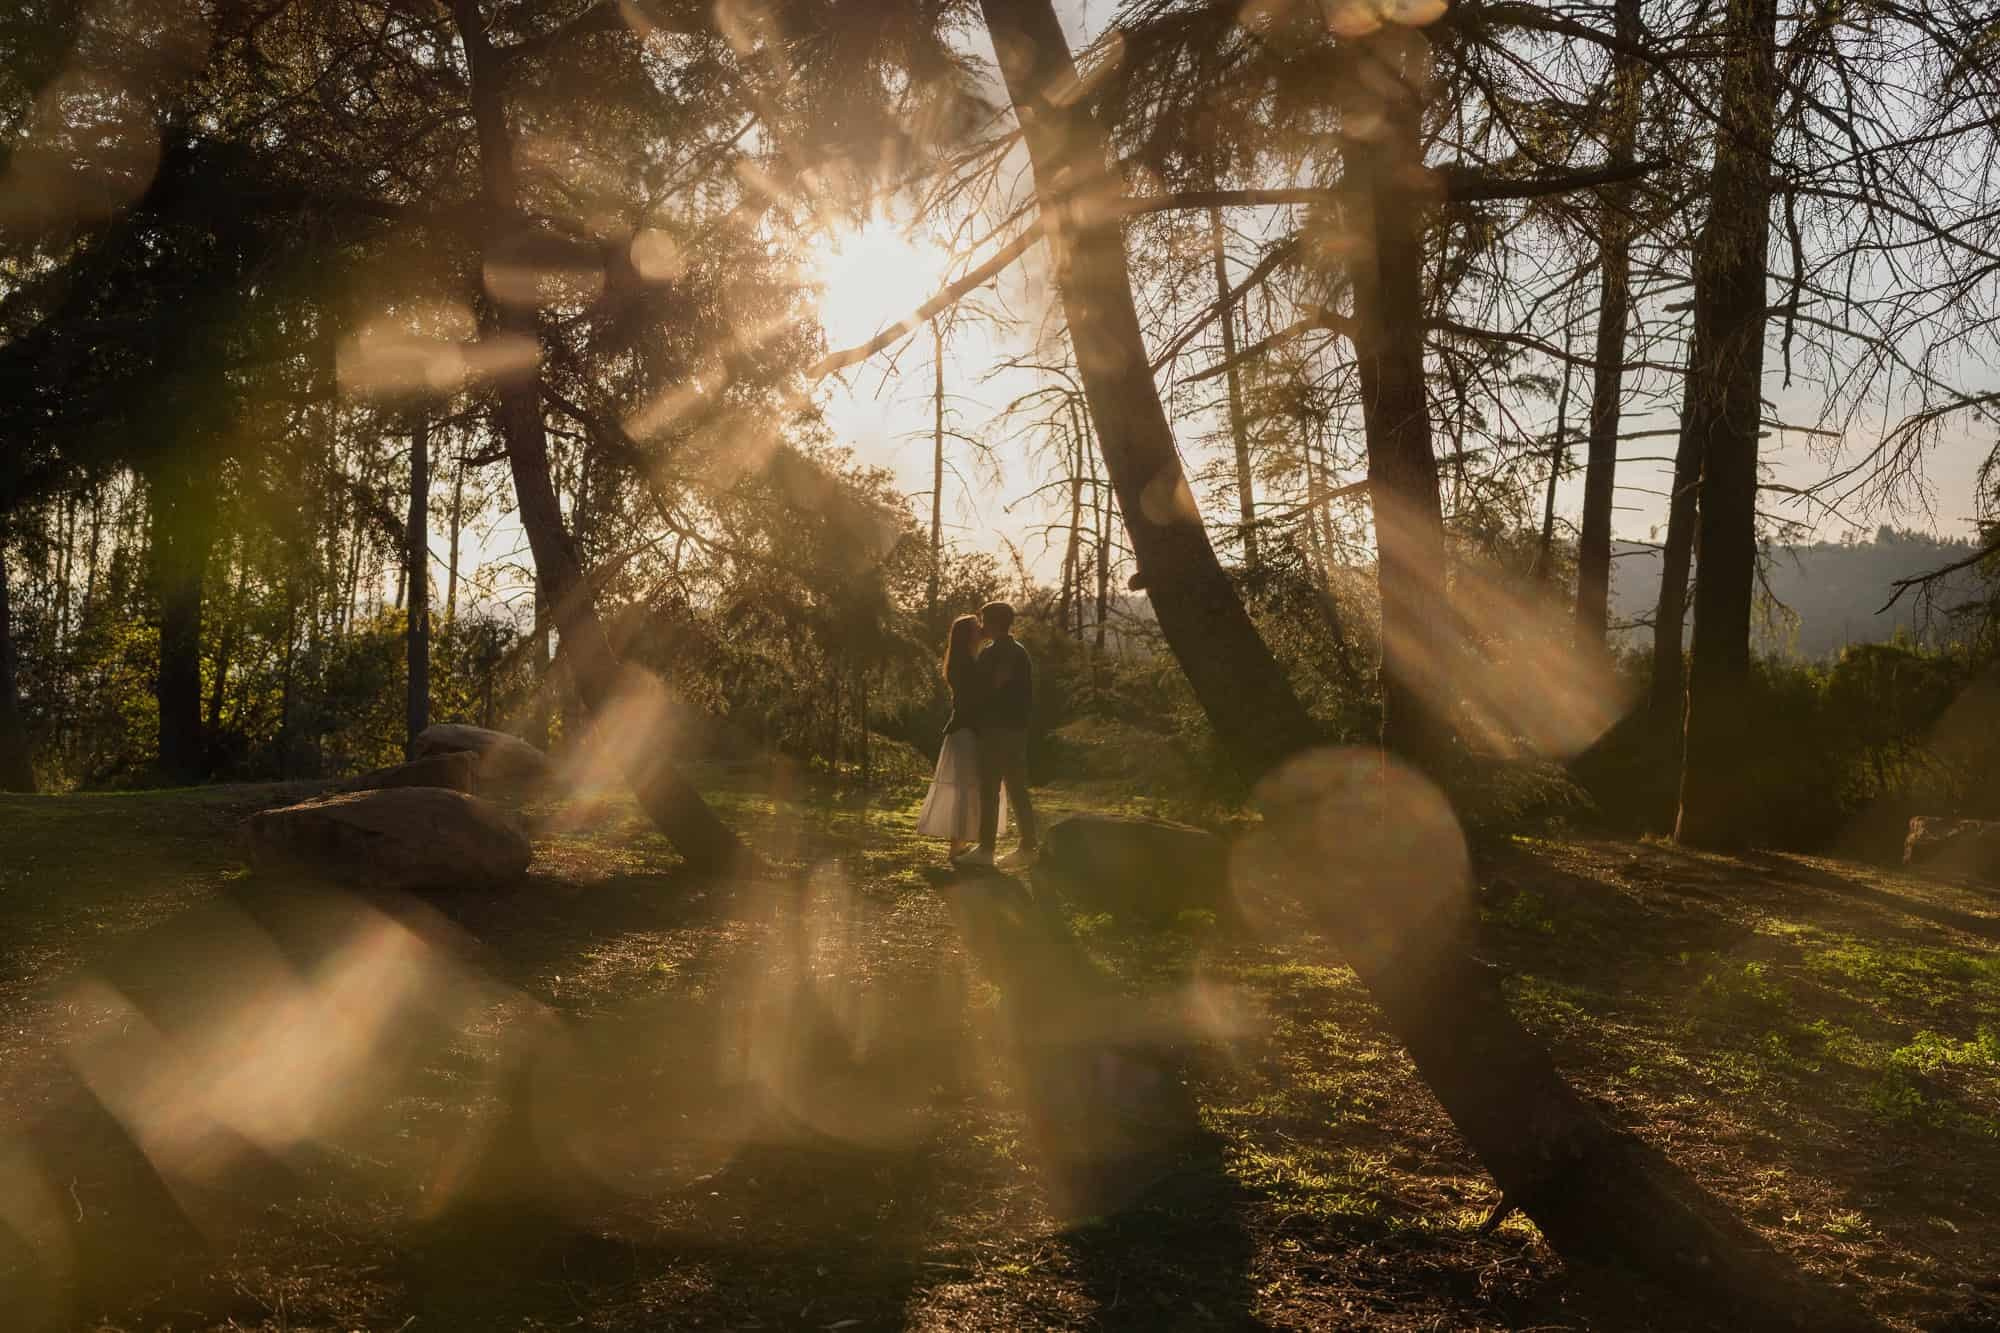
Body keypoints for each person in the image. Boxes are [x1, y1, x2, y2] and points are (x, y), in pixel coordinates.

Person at [954, 601, 1037, 870]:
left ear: (993, 623)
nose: (981, 625)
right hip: (1017, 729)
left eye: (983, 620)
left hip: (997, 729)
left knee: (989, 790)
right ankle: (1027, 847)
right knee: (1016, 788)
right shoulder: (1019, 651)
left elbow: (984, 692)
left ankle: (987, 850)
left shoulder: (995, 653)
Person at [916, 614, 1007, 858]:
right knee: (966, 786)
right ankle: (957, 845)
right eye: (977, 628)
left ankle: (962, 843)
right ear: (968, 635)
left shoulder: (968, 660)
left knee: (968, 786)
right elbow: (973, 699)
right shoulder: (965, 663)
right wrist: (995, 686)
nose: (982, 629)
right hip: (966, 731)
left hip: (967, 730)